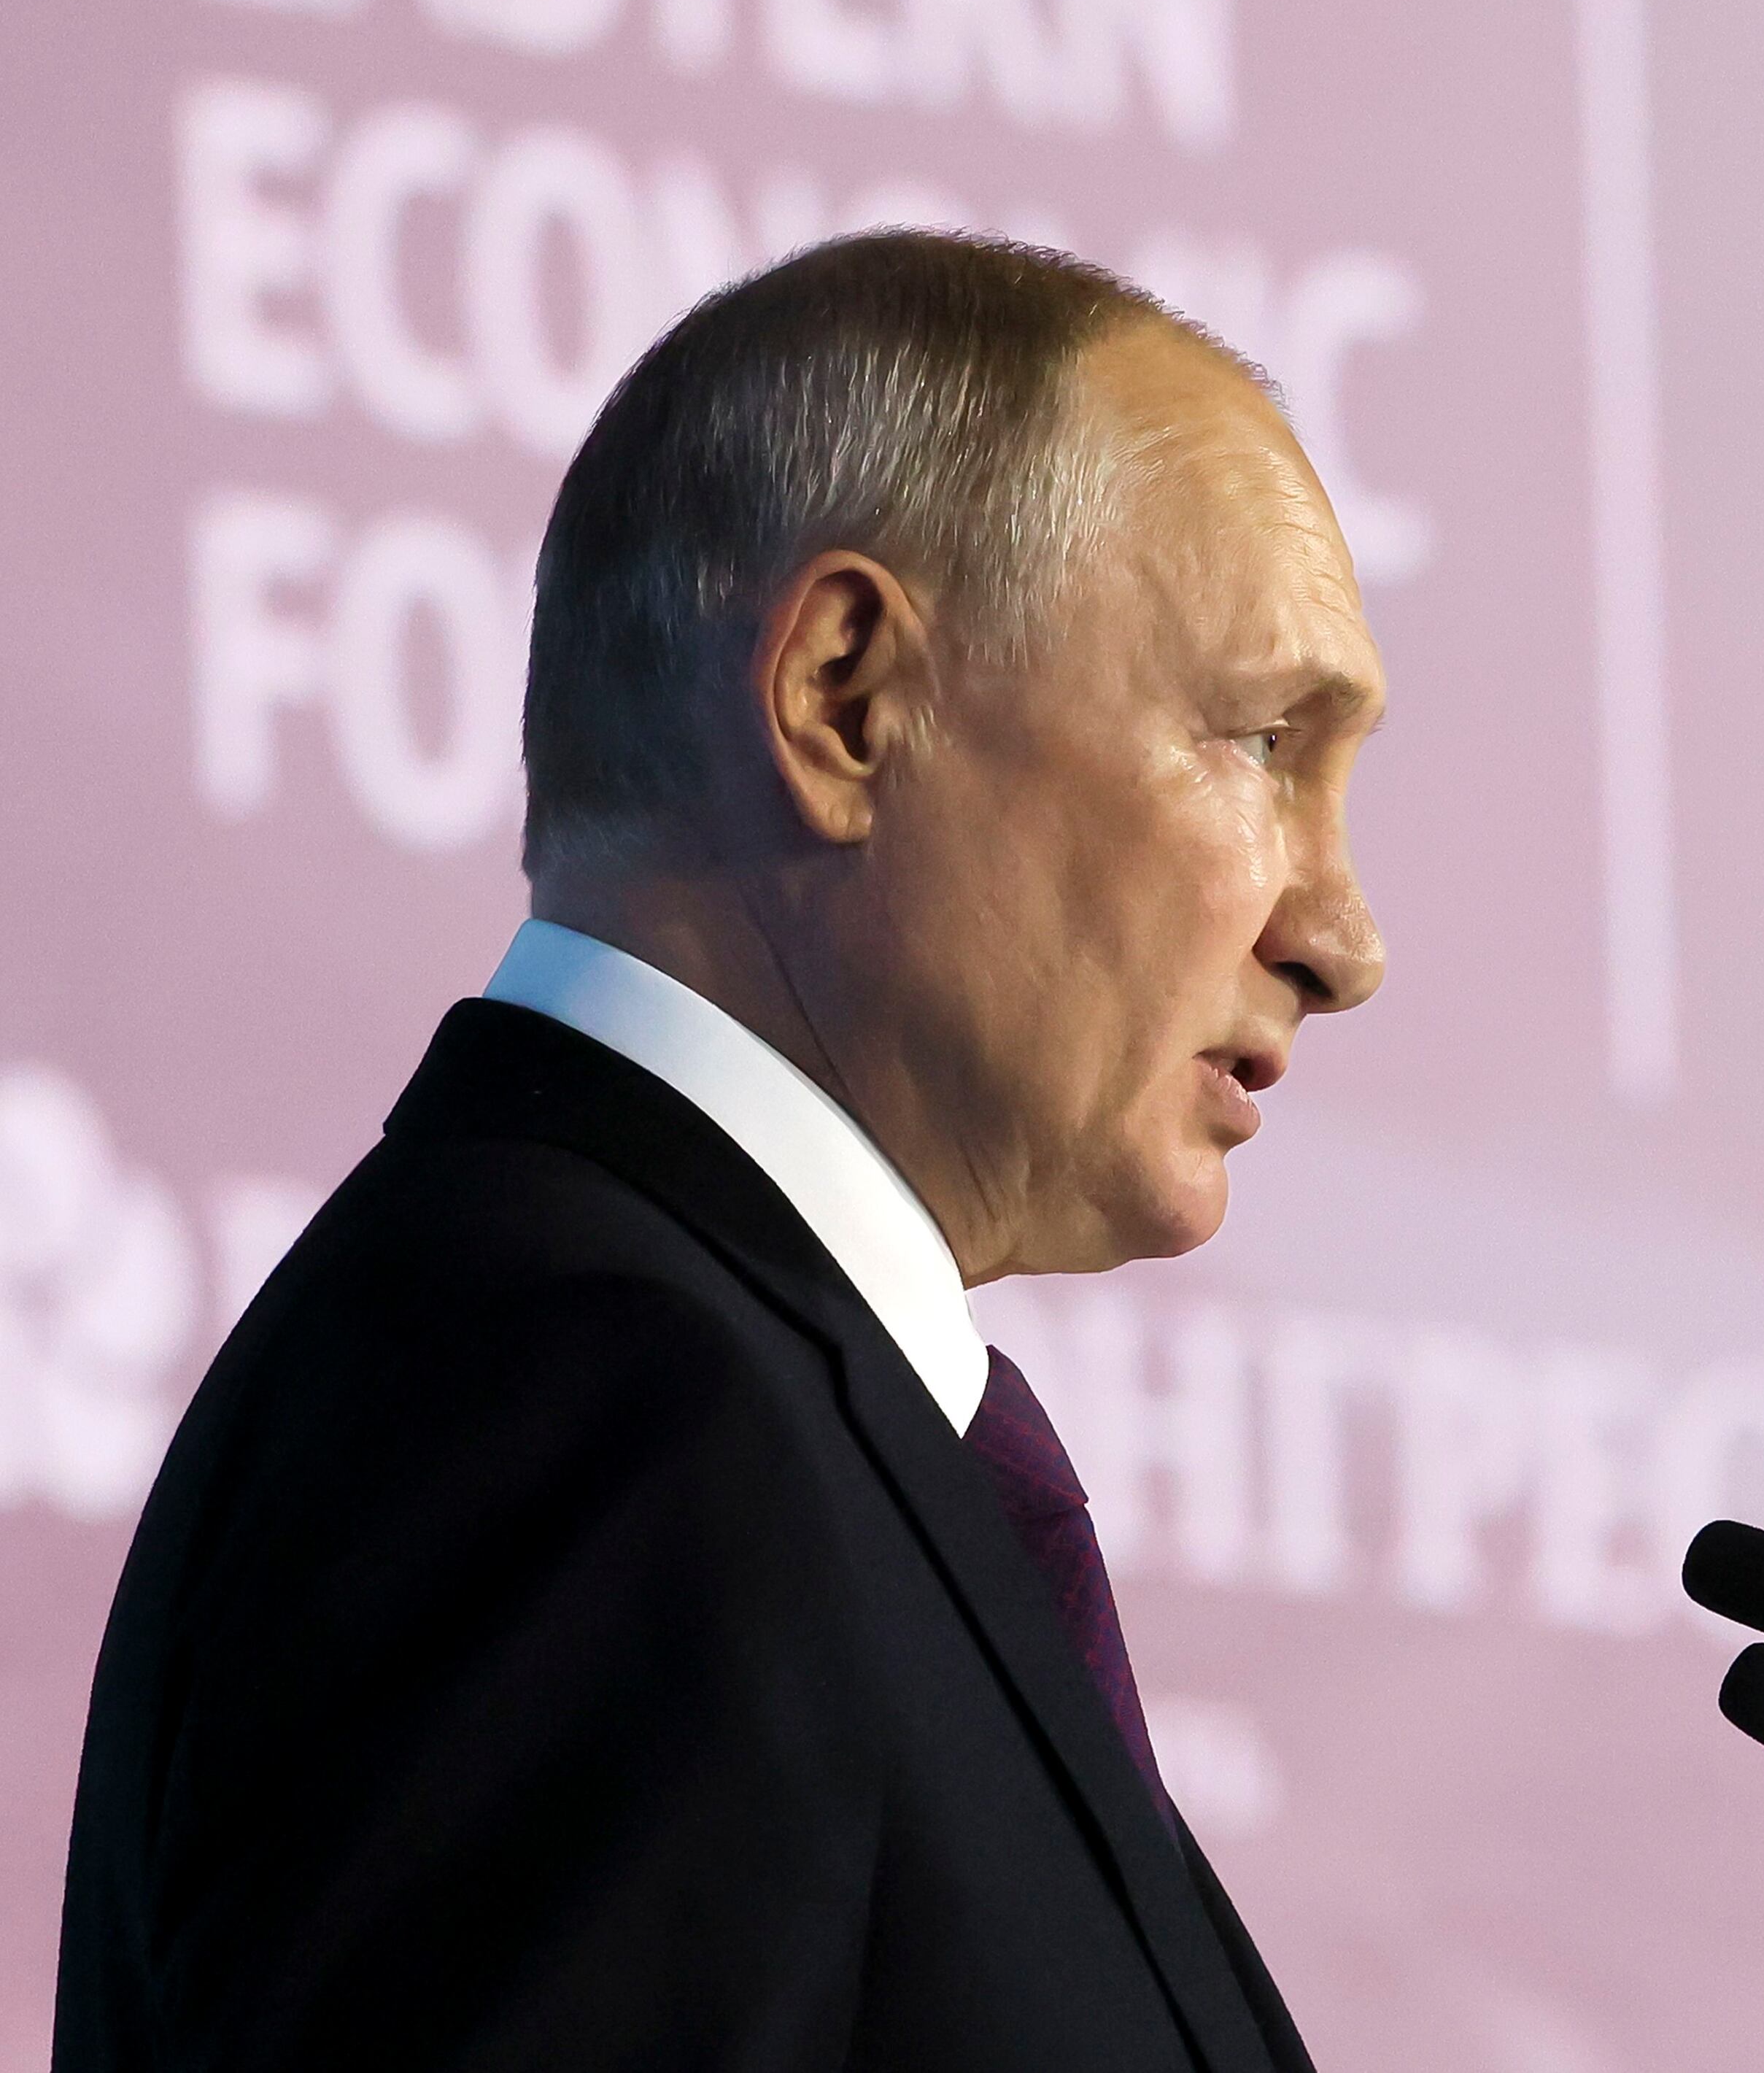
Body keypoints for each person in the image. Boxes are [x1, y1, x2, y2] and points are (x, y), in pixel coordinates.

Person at [54, 231, 1385, 2070]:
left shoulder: (713, 1404)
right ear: (848, 698)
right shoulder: (577, 1399)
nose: (1343, 938)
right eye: (1255, 741)